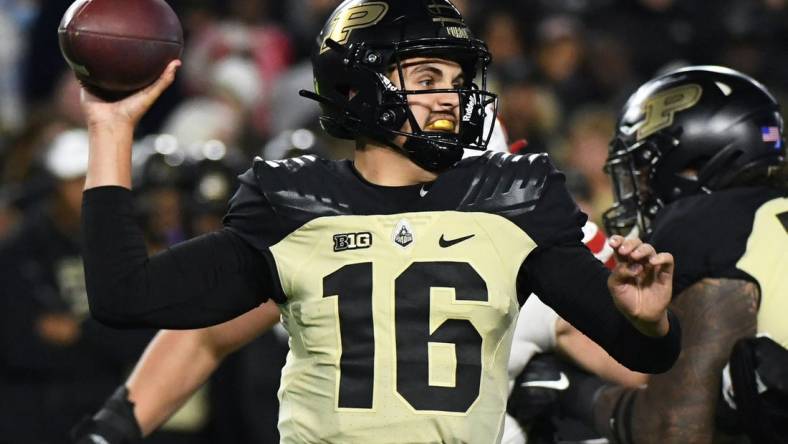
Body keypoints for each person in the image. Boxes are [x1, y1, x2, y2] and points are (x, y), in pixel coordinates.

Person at [75, 1, 681, 443]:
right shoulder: (292, 204)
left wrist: (648, 321)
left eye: (455, 80)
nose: (449, 97)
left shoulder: (514, 198)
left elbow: (647, 355)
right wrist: (111, 129)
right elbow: (125, 295)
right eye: (426, 79)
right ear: (360, 88)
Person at [559, 65, 788, 444]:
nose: (639, 190)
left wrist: (572, 394)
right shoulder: (767, 217)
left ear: (686, 165)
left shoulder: (707, 223)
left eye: (645, 173)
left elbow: (674, 429)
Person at [0, 129, 153, 443]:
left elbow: (138, 336)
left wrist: (80, 331)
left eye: (92, 178)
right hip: (29, 414)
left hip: (101, 406)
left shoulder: (124, 246)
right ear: (54, 185)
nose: (84, 190)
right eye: (74, 180)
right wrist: (99, 335)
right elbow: (15, 344)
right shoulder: (20, 249)